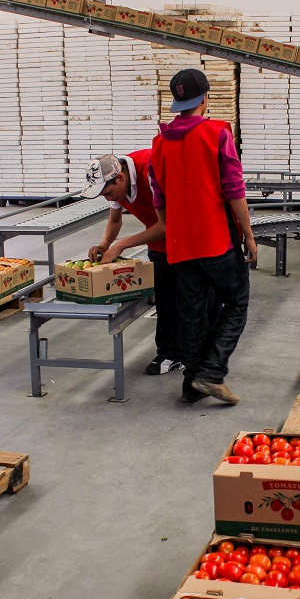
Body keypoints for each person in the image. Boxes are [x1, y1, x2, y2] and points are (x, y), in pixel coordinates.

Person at [105, 68, 255, 405]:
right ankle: (211, 373)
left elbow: (160, 202)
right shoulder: (218, 133)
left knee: (191, 313)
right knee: (236, 302)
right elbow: (234, 191)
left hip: (179, 248)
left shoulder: (159, 145)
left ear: (177, 101)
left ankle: (191, 386)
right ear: (205, 99)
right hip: (216, 241)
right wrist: (248, 234)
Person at [80, 152, 184, 375]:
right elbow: (115, 219)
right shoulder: (117, 185)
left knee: (195, 299)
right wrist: (106, 243)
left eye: (108, 193)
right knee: (166, 300)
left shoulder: (152, 171)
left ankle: (198, 355)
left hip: (188, 238)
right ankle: (171, 354)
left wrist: (122, 245)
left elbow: (166, 225)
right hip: (159, 243)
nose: (109, 199)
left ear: (120, 178)